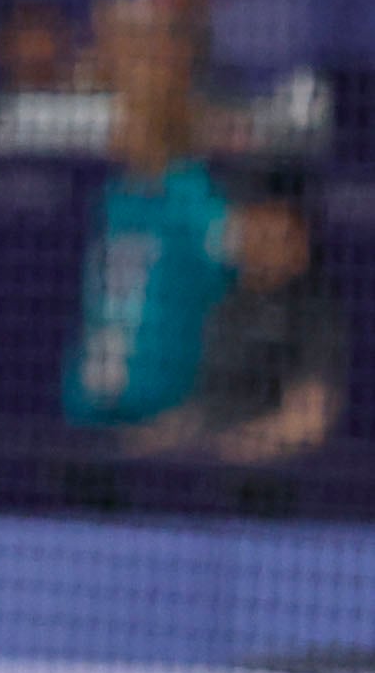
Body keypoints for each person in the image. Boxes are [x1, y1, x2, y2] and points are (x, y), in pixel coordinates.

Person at [66, 0, 235, 433]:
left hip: (164, 423)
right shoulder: (112, 198)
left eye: (130, 115)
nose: (117, 127)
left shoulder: (199, 205)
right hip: (91, 413)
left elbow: (225, 310)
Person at [138, 181, 344, 464]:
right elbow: (203, 408)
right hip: (204, 470)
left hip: (268, 481)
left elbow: (309, 418)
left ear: (300, 243)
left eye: (276, 234)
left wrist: (239, 447)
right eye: (254, 227)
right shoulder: (226, 306)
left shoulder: (315, 314)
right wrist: (155, 438)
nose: (259, 239)